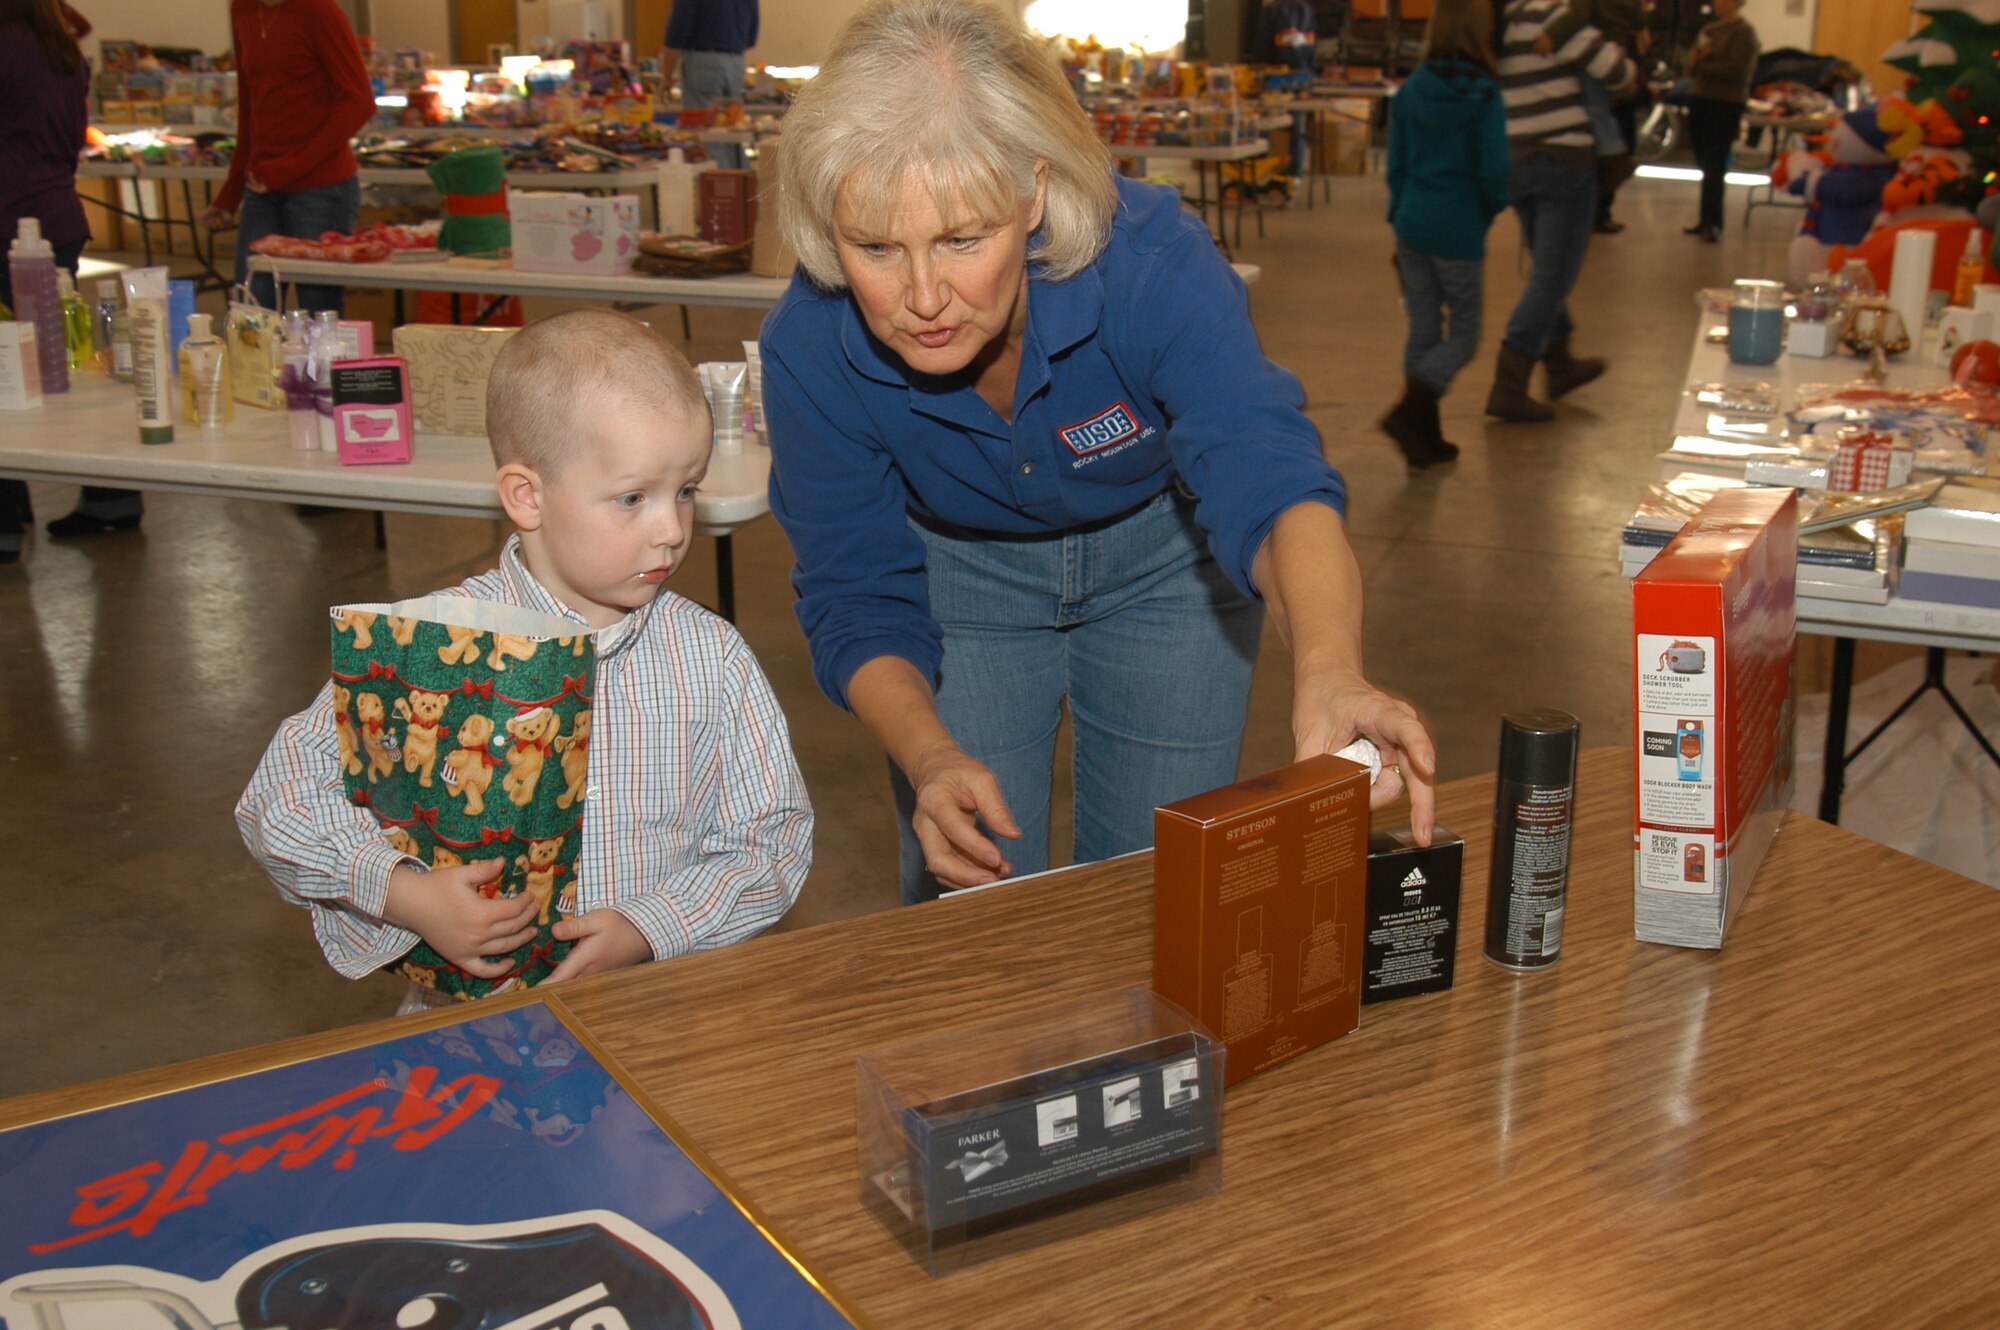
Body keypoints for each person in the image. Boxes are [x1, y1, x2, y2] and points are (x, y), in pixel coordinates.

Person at [761, 0, 1438, 905]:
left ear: (1034, 192)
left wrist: (1328, 668)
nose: (923, 296)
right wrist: (929, 759)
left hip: (1168, 570)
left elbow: (1267, 478)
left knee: (1157, 894)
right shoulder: (811, 342)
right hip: (956, 580)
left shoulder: (1151, 263)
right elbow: (856, 593)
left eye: (963, 239)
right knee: (977, 910)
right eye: (876, 247)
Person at [237, 310, 813, 1010]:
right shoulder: (424, 648)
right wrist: (404, 893)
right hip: (470, 1029)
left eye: (685, 491)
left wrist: (647, 926)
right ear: (527, 496)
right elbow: (278, 800)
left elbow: (773, 842)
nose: (671, 530)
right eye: (633, 498)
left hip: (661, 1010)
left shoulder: (712, 658)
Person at [0, 0, 141, 555]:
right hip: (56, 220)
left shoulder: (7, 46)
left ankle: (5, 522)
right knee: (67, 367)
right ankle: (113, 496)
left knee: (9, 375)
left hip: (11, 226)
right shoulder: (60, 48)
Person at [1486, 0, 1636, 422]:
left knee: (1545, 270)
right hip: (1564, 162)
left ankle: (1560, 360)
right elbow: (1618, 73)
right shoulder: (1552, 16)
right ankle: (1509, 384)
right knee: (1553, 277)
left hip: (1517, 159)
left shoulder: (1502, 20)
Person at [1381, 0, 1510, 469]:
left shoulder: (1413, 90)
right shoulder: (1485, 95)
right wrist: (1487, 210)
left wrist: (1398, 218)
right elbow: (1496, 169)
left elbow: (1396, 166)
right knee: (1465, 335)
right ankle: (1412, 410)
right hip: (1459, 226)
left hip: (1413, 220)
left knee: (1423, 328)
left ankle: (1423, 436)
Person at [200, 0, 375, 314]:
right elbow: (250, 104)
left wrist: (291, 167)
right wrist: (231, 191)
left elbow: (360, 102)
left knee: (318, 317)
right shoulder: (242, 9)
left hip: (322, 188)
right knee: (251, 311)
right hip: (263, 185)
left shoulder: (318, 10)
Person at [1534, 0, 1649, 233]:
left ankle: (1613, 154)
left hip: (1601, 50)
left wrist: (1552, 35)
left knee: (1595, 108)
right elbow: (1643, 32)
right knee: (1601, 111)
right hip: (1618, 52)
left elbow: (1578, 16)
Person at [1681, 0, 1758, 242]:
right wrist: (1697, 60)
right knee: (1703, 160)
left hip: (1726, 102)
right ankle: (1705, 218)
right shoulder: (1709, 29)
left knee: (1715, 162)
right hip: (1700, 98)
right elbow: (1689, 67)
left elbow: (1737, 69)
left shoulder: (1744, 32)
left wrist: (1705, 61)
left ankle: (1713, 222)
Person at [660, 0, 758, 168]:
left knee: (706, 133)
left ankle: (719, 187)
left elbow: (678, 32)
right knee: (731, 130)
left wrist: (666, 77)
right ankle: (740, 186)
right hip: (736, 61)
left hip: (704, 60)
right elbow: (751, 35)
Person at [1253, 0, 1318, 181]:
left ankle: (1259, 172)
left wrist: (1258, 73)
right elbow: (1312, 47)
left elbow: (1262, 45)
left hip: (1274, 78)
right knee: (1298, 127)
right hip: (1301, 78)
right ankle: (1294, 176)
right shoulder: (1307, 10)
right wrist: (1309, 74)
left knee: (1263, 126)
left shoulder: (1271, 11)